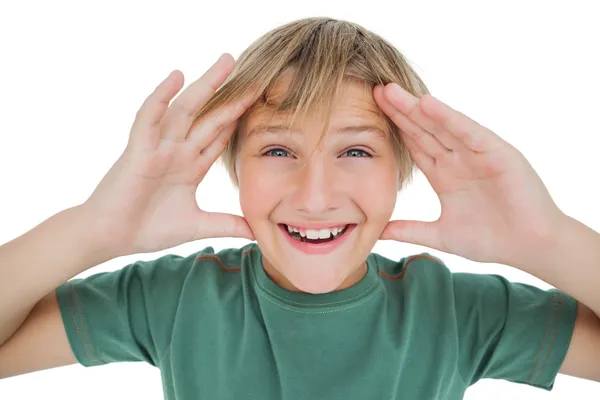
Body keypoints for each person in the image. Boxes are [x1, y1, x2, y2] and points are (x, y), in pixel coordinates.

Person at [0, 16, 599, 399]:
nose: (315, 196)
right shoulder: (176, 298)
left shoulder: (454, 310)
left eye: (357, 150)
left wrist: (545, 239)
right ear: (230, 162)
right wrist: (92, 229)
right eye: (279, 148)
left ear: (406, 167)